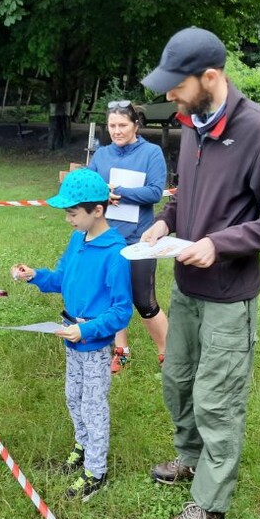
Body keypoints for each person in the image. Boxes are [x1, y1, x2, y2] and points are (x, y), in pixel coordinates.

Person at [139, 27, 260, 519]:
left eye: (176, 85)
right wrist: (168, 219)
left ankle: (210, 504)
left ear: (210, 76)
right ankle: (191, 458)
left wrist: (220, 243)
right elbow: (188, 191)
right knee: (179, 380)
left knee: (217, 398)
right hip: (187, 285)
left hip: (230, 293)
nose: (169, 97)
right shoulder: (191, 124)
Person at [11, 169, 133, 501]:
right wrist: (36, 275)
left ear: (98, 210)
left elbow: (122, 311)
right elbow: (62, 278)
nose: (68, 219)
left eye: (73, 213)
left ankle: (96, 470)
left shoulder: (116, 253)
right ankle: (83, 443)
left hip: (92, 344)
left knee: (93, 405)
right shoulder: (78, 239)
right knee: (73, 397)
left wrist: (87, 329)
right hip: (71, 338)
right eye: (66, 213)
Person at [87, 101, 169, 373]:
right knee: (113, 298)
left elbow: (155, 192)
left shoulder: (151, 153)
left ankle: (168, 352)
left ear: (136, 125)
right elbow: (90, 185)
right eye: (112, 126)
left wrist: (120, 191)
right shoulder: (102, 155)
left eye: (122, 125)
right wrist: (100, 194)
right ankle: (121, 351)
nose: (117, 131)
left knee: (144, 301)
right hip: (107, 239)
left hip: (140, 240)